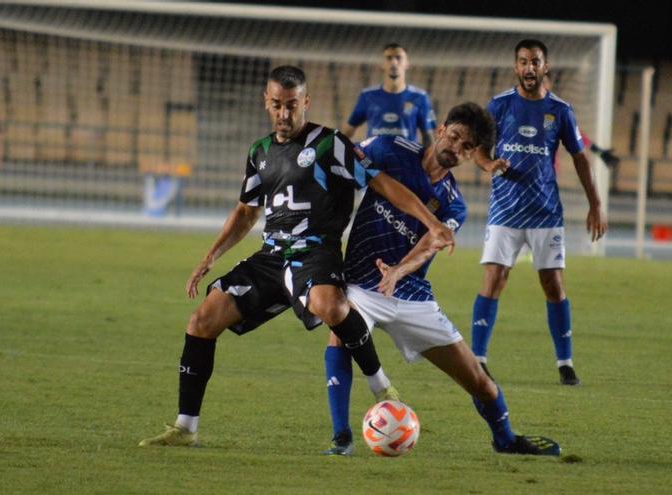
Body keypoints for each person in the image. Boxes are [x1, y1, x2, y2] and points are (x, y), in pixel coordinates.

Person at [138, 65, 454, 447]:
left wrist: (431, 223)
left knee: (330, 306)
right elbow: (245, 212)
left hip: (316, 251)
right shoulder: (260, 152)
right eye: (276, 105)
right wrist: (211, 256)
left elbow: (383, 184)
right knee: (201, 320)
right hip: (272, 255)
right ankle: (185, 427)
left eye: (291, 105)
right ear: (266, 103)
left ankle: (383, 388)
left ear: (305, 102)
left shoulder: (330, 144)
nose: (284, 115)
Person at [322, 102, 561, 457]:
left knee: (479, 380)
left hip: (412, 297)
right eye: (454, 137)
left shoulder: (454, 205)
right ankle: (341, 438)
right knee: (340, 328)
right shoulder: (389, 148)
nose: (457, 149)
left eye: (467, 148)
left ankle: (506, 440)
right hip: (360, 283)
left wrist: (398, 272)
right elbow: (346, 156)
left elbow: (430, 244)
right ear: (440, 130)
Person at [470, 39, 607, 386]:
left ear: (545, 67)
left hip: (546, 213)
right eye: (523, 62)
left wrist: (596, 203)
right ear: (515, 67)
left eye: (535, 62)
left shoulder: (561, 110)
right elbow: (478, 150)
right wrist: (489, 165)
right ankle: (478, 359)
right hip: (504, 211)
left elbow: (579, 157)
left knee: (553, 285)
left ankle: (565, 362)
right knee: (494, 280)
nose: (529, 68)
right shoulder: (499, 105)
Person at [342, 43, 436, 146]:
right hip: (374, 160)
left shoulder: (420, 97)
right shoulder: (368, 96)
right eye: (389, 58)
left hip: (405, 160)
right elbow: (349, 130)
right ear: (383, 64)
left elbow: (428, 135)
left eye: (398, 58)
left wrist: (430, 160)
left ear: (407, 64)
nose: (394, 62)